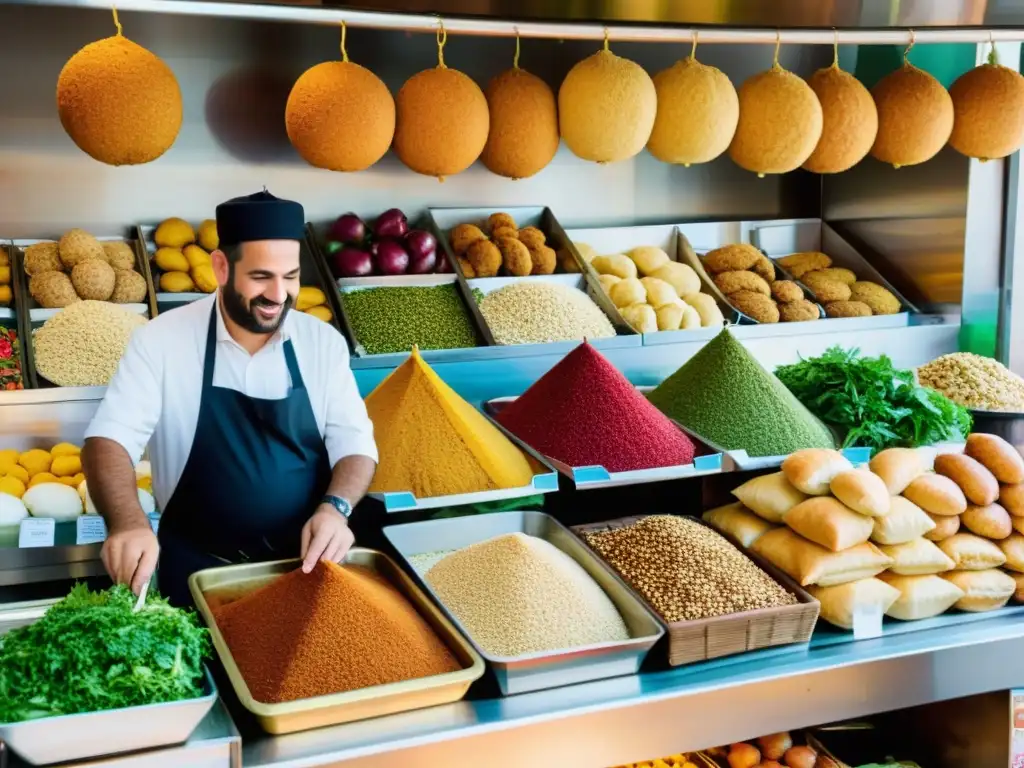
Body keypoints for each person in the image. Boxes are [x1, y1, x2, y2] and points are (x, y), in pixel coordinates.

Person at [82, 190, 377, 607]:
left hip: (304, 568)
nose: (279, 294)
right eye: (261, 277)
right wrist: (127, 523)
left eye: (290, 276)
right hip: (196, 573)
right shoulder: (161, 340)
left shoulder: (322, 343)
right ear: (221, 267)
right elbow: (108, 440)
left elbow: (355, 445)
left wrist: (336, 508)